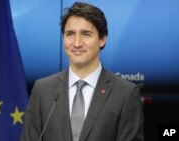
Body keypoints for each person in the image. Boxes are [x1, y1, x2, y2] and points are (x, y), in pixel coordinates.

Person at [21, 2, 144, 141]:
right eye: (70, 34)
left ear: (102, 39)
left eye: (86, 34)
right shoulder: (42, 90)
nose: (77, 43)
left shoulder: (125, 93)